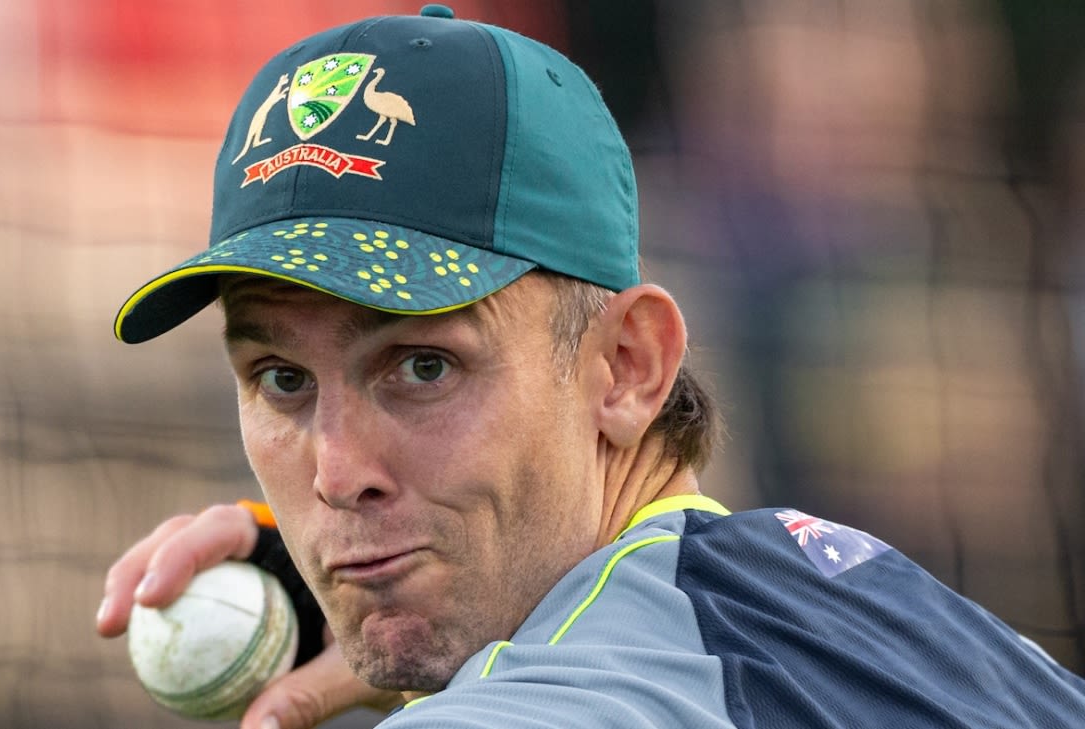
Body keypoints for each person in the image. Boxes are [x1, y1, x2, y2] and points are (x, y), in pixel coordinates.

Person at [96, 6, 1085, 728]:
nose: (335, 473)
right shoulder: (887, 618)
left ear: (627, 366)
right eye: (281, 379)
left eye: (423, 365)